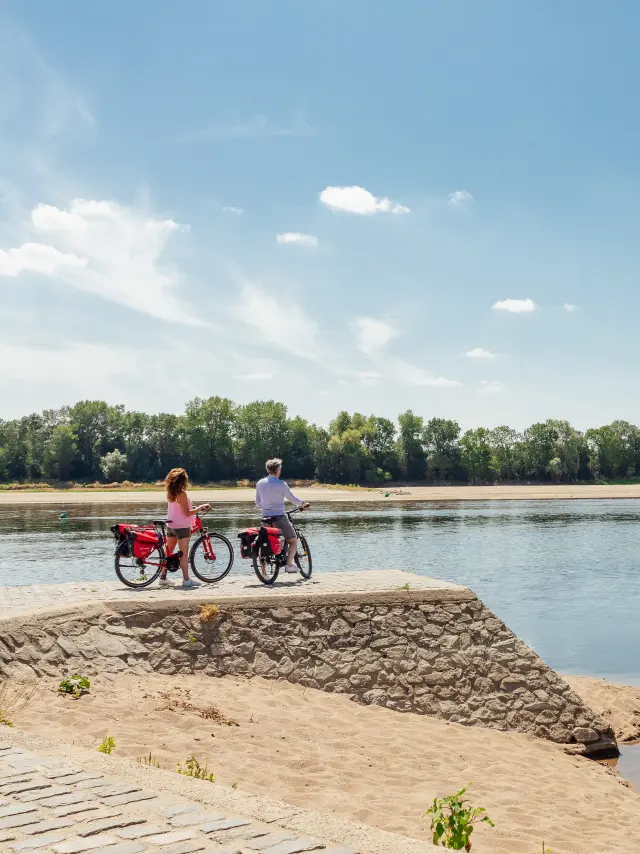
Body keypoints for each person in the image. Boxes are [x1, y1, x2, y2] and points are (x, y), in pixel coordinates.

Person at [255, 458, 310, 573]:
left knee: (270, 539)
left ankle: (265, 567)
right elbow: (292, 498)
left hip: (265, 518)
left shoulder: (260, 483)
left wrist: (267, 507)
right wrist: (303, 504)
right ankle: (289, 565)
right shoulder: (281, 484)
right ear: (278, 470)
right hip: (279, 517)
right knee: (293, 540)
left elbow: (258, 503)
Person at [160, 467, 210, 589]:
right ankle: (186, 580)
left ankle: (163, 577)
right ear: (182, 481)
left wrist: (192, 506)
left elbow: (180, 508)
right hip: (182, 527)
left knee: (169, 552)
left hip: (171, 525)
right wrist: (201, 507)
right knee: (184, 553)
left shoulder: (170, 493)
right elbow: (187, 513)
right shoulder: (182, 494)